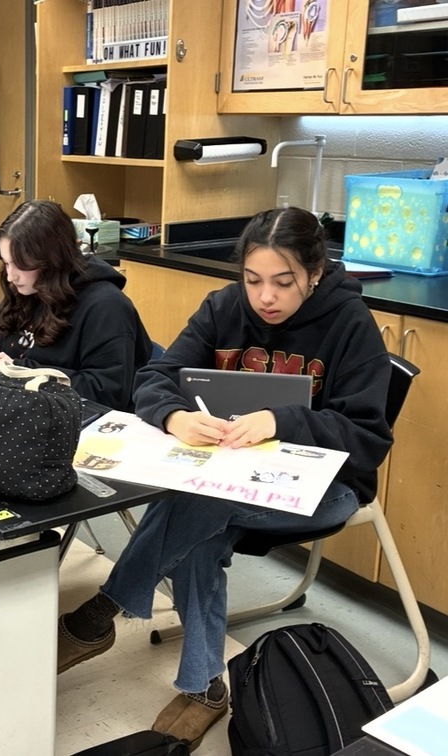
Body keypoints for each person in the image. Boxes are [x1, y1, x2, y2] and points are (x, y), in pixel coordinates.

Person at [57, 207, 393, 750]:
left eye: (283, 283)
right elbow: (156, 375)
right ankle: (204, 687)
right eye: (253, 280)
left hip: (327, 487)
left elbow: (367, 435)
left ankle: (100, 614)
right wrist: (173, 415)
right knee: (201, 522)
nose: (265, 297)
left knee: (195, 504)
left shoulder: (349, 324)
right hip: (227, 479)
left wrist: (279, 421)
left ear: (313, 272)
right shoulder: (223, 307)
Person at [0, 199, 153, 410]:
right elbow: (7, 347)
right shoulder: (28, 287)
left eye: (21, 265)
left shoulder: (107, 307)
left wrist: (22, 373)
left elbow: (106, 393)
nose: (10, 276)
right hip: (21, 411)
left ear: (53, 260)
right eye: (6, 263)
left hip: (80, 425)